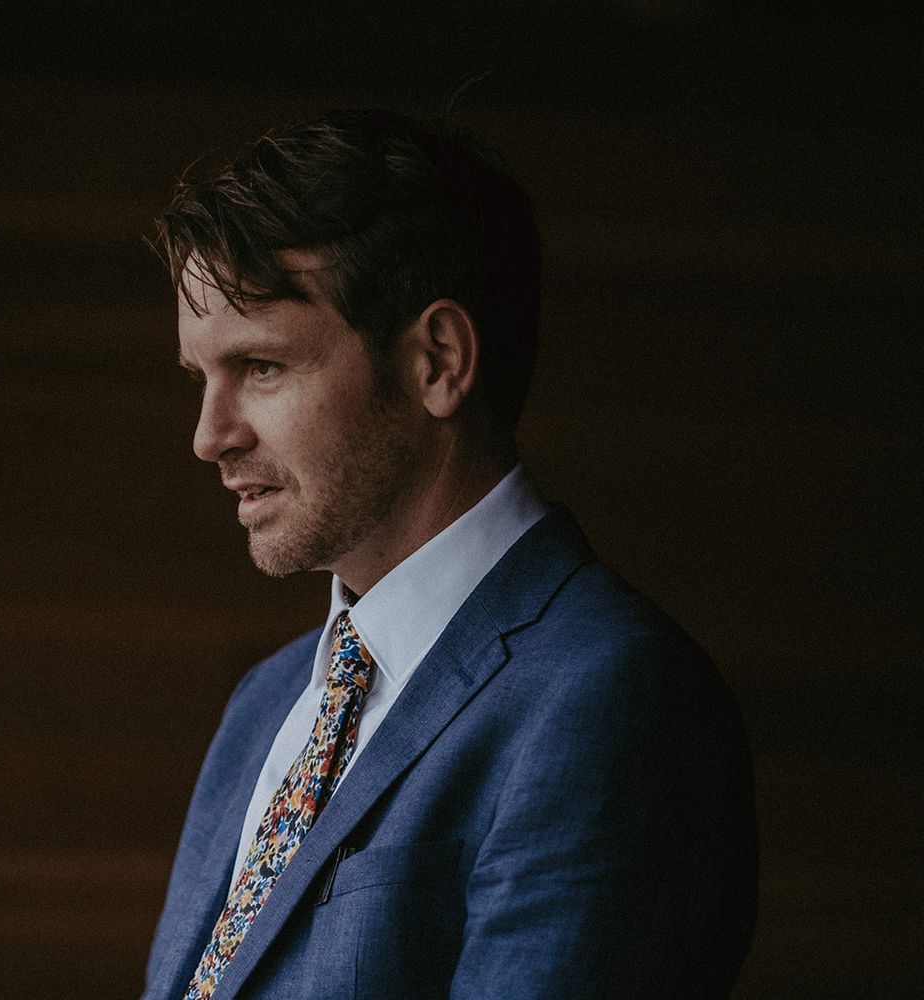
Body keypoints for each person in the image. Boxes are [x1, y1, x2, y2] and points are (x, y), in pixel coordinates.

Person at [142, 109, 757, 1000]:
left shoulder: (611, 695)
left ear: (437, 360)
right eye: (203, 378)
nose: (210, 436)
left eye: (262, 367)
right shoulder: (269, 701)